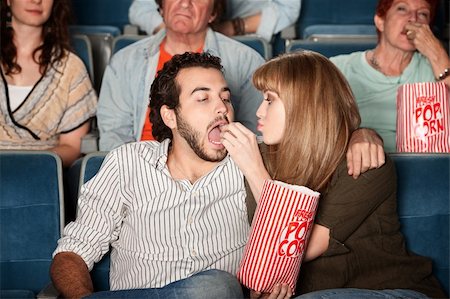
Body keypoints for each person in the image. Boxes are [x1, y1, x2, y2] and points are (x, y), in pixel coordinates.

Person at [51, 52, 385, 299]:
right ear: (170, 115)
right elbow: (72, 253)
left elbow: (315, 136)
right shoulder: (128, 162)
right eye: (203, 98)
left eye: (225, 98)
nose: (221, 108)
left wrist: (362, 133)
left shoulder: (257, 159)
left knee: (215, 287)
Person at [220, 51, 447, 298]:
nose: (259, 112)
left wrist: (255, 171)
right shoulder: (262, 156)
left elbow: (291, 250)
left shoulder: (364, 164)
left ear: (305, 105)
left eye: (270, 100)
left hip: (389, 289)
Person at [98, 0, 265, 151]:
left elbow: (255, 135)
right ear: (161, 7)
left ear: (213, 13)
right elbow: (114, 133)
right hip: (139, 167)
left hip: (214, 169)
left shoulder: (247, 62)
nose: (185, 3)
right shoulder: (125, 61)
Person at [330, 0, 450, 153]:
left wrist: (437, 53)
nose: (413, 19)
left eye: (422, 14)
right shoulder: (339, 68)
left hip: (424, 166)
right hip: (358, 166)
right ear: (380, 21)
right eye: (402, 9)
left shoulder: (436, 68)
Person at [0, 0, 97, 168]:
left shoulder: (71, 68)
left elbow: (72, 147)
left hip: (42, 177)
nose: (36, 1)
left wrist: (28, 165)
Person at [129, 0, 301, 42]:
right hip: (173, 39)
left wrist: (230, 28)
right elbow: (140, 8)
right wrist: (175, 33)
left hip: (239, 38)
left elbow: (287, 8)